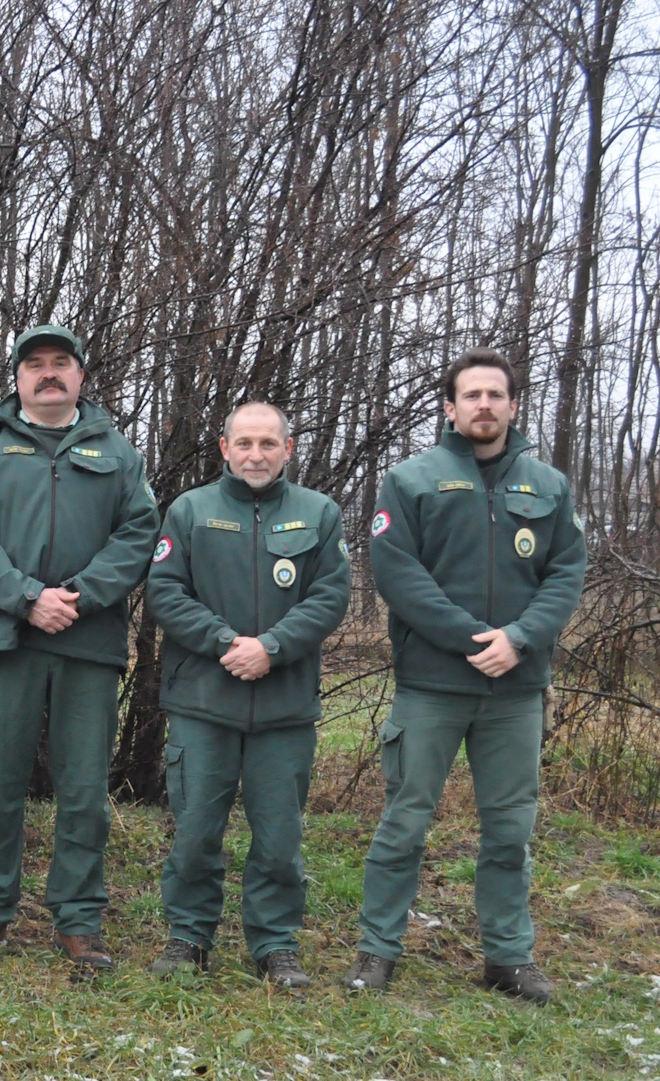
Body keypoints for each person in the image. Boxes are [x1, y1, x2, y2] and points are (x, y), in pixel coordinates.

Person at [346, 348, 585, 1004]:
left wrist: (521, 638)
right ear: (449, 407)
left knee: (510, 828)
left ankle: (508, 956)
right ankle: (377, 949)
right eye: (471, 395)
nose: (484, 405)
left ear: (512, 405)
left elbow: (566, 572)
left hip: (516, 687)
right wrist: (471, 637)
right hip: (432, 683)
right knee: (404, 821)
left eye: (495, 395)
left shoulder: (549, 486)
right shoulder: (411, 480)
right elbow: (396, 571)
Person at [0, 324, 158, 971]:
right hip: (5, 638)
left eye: (61, 362)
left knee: (85, 787)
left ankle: (80, 919)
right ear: (17, 378)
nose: (48, 373)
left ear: (81, 375)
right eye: (35, 364)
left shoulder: (118, 452)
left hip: (88, 641)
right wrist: (27, 595)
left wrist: (81, 595)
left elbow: (138, 533)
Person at [143, 402, 349, 987]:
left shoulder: (319, 513)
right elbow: (165, 591)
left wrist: (274, 647)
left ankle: (276, 944)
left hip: (283, 707)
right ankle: (188, 936)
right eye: (245, 443)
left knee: (280, 839)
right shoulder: (191, 510)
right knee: (195, 832)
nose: (256, 455)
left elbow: (331, 597)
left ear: (288, 448)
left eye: (268, 443)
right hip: (204, 701)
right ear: (224, 448)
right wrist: (227, 641)